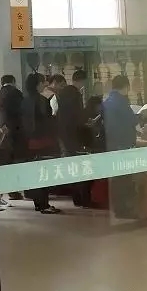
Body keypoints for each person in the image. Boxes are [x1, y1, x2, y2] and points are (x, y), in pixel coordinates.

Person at [22, 72, 61, 214]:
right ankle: (44, 204)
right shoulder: (42, 100)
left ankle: (38, 203)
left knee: (34, 173)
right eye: (43, 81)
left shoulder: (24, 100)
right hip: (43, 141)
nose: (45, 84)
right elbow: (48, 121)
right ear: (38, 84)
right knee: (44, 173)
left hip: (29, 142)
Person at [103, 75, 140, 218]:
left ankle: (118, 207)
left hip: (112, 143)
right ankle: (123, 209)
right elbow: (131, 120)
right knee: (124, 178)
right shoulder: (121, 101)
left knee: (117, 178)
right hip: (123, 143)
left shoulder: (107, 101)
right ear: (126, 86)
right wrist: (139, 116)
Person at [57, 70, 90, 207]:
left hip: (64, 134)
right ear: (82, 81)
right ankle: (81, 198)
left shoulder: (63, 92)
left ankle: (76, 197)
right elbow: (77, 116)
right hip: (74, 134)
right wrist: (86, 122)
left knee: (72, 166)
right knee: (78, 165)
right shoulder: (75, 94)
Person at [0, 75, 25, 200]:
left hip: (2, 132)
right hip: (16, 131)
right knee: (16, 161)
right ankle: (15, 190)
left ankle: (7, 190)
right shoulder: (16, 93)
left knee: (4, 162)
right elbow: (22, 111)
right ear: (13, 82)